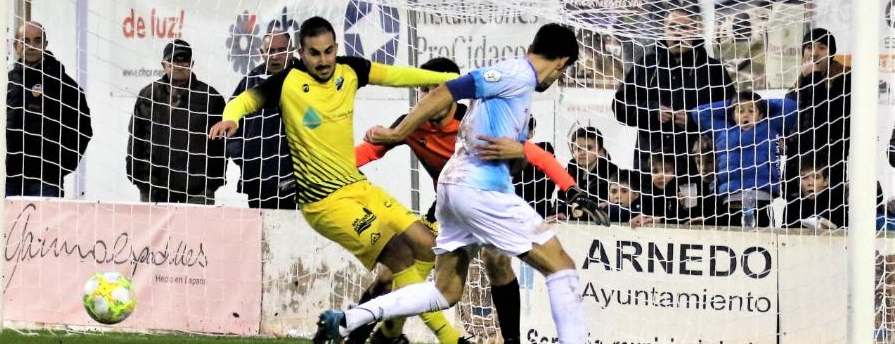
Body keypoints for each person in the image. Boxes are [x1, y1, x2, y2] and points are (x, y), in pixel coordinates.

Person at [313, 23, 608, 344]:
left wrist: (521, 152)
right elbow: (446, 90)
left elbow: (519, 159)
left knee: (446, 290)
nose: (557, 79)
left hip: (453, 191)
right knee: (561, 267)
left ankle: (348, 320)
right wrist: (398, 133)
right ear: (562, 62)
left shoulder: (518, 96)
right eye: (562, 73)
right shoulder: (517, 74)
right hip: (480, 189)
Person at [209, 17, 465, 344]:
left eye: (329, 51)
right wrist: (230, 118)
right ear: (301, 53)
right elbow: (246, 99)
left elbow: (397, 76)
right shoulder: (288, 81)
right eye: (315, 53)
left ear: (336, 49)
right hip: (324, 202)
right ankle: (450, 339)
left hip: (358, 187)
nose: (324, 60)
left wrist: (450, 79)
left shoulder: (350, 70)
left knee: (428, 248)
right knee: (400, 255)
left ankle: (382, 333)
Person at [612, 6, 735, 172]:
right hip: (651, 169)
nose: (677, 33)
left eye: (683, 28)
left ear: (694, 30)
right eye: (672, 27)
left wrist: (695, 119)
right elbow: (620, 107)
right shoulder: (646, 65)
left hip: (698, 168)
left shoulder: (713, 69)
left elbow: (731, 113)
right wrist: (652, 111)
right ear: (664, 30)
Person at [126, 39, 227, 204]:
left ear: (192, 63)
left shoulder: (211, 98)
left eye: (184, 60)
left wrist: (211, 185)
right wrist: (137, 178)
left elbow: (220, 146)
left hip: (197, 192)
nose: (180, 65)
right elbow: (135, 139)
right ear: (163, 64)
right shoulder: (148, 95)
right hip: (153, 189)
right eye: (174, 60)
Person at [6, 21, 93, 197]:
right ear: (16, 45)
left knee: (44, 225)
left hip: (46, 180)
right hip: (7, 178)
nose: (31, 46)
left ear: (45, 44)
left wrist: (59, 166)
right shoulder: (5, 82)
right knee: (4, 225)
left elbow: (82, 130)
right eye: (25, 40)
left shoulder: (64, 85)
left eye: (37, 40)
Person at [689, 90, 798, 227]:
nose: (746, 114)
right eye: (740, 111)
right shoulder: (724, 131)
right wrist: (734, 103)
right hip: (732, 196)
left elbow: (791, 107)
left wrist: (760, 103)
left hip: (761, 195)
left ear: (761, 114)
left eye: (751, 111)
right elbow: (698, 113)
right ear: (733, 115)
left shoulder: (770, 127)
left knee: (760, 234)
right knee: (733, 234)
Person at [227, 30, 297, 209]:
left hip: (298, 181)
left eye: (281, 50)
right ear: (261, 53)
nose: (275, 56)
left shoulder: (308, 80)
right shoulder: (249, 83)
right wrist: (244, 157)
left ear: (292, 51)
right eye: (270, 50)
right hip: (258, 180)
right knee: (263, 235)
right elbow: (231, 126)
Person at [784, 27, 851, 185]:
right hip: (797, 171)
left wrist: (812, 78)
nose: (813, 53)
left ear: (831, 53)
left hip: (828, 171)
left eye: (821, 47)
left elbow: (825, 117)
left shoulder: (845, 80)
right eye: (809, 47)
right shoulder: (796, 88)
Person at [782, 159, 847, 229]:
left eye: (816, 177)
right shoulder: (792, 206)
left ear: (825, 181)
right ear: (798, 182)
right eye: (804, 177)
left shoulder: (836, 205)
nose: (810, 183)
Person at [565, 126, 618, 204]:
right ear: (572, 152)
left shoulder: (612, 172)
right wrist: (559, 211)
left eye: (589, 148)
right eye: (578, 149)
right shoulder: (571, 168)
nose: (582, 153)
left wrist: (609, 205)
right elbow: (561, 195)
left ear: (600, 151)